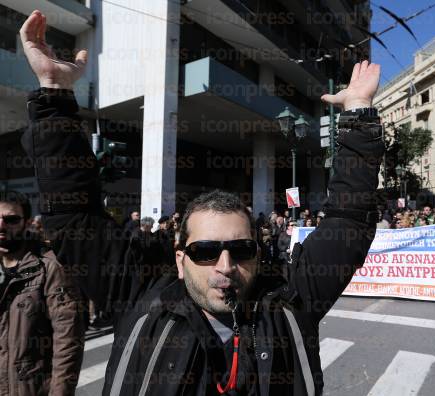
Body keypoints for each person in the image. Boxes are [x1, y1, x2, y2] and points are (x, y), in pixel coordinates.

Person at [18, 13, 383, 394]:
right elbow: (74, 216)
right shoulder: (140, 298)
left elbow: (348, 221)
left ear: (258, 253)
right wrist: (54, 94)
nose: (225, 267)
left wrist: (358, 111)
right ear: (180, 259)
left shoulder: (290, 302)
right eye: (205, 251)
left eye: (241, 250)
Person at [0, 191, 85, 396]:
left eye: (10, 219)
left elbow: (68, 339)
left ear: (27, 222)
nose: (1, 226)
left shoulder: (50, 267)